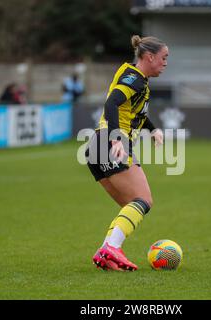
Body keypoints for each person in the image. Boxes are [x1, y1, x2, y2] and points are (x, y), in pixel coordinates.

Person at [85, 35, 168, 271]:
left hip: (97, 146)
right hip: (110, 143)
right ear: (149, 57)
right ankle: (111, 248)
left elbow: (132, 111)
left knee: (130, 205)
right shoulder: (135, 79)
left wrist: (152, 129)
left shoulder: (136, 77)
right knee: (143, 200)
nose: (165, 63)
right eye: (163, 58)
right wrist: (115, 139)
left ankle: (105, 252)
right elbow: (111, 103)